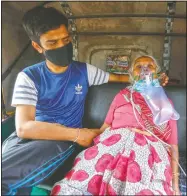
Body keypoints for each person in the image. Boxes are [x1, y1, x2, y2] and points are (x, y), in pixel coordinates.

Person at [2, 6, 169, 196]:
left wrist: (153, 79)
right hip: (27, 138)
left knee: (5, 178)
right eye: (52, 42)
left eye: (65, 40)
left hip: (59, 141)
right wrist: (79, 134)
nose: (61, 47)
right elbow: (24, 127)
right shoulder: (29, 77)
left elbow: (124, 79)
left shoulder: (84, 71)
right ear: (38, 46)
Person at [51, 55, 180, 196]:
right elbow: (103, 129)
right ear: (132, 73)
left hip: (149, 151)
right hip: (113, 144)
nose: (145, 69)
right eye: (139, 66)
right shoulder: (122, 96)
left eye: (150, 66)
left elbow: (172, 145)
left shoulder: (165, 105)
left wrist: (175, 186)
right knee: (84, 177)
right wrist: (76, 134)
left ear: (157, 73)